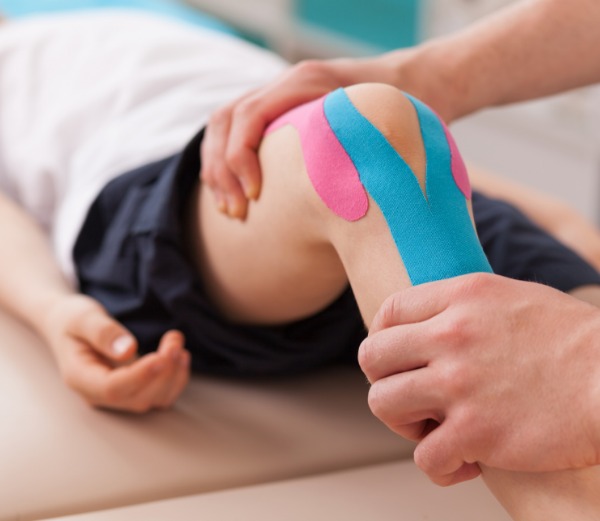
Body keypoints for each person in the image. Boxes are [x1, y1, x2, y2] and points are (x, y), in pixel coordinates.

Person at [2, 8, 600, 520]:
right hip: (208, 192)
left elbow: (406, 145)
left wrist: (547, 221)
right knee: (354, 131)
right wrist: (54, 310)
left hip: (370, 168)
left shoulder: (184, 24)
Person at [200, 0, 600, 486]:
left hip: (355, 157)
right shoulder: (92, 32)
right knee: (367, 128)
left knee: (371, 131)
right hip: (230, 170)